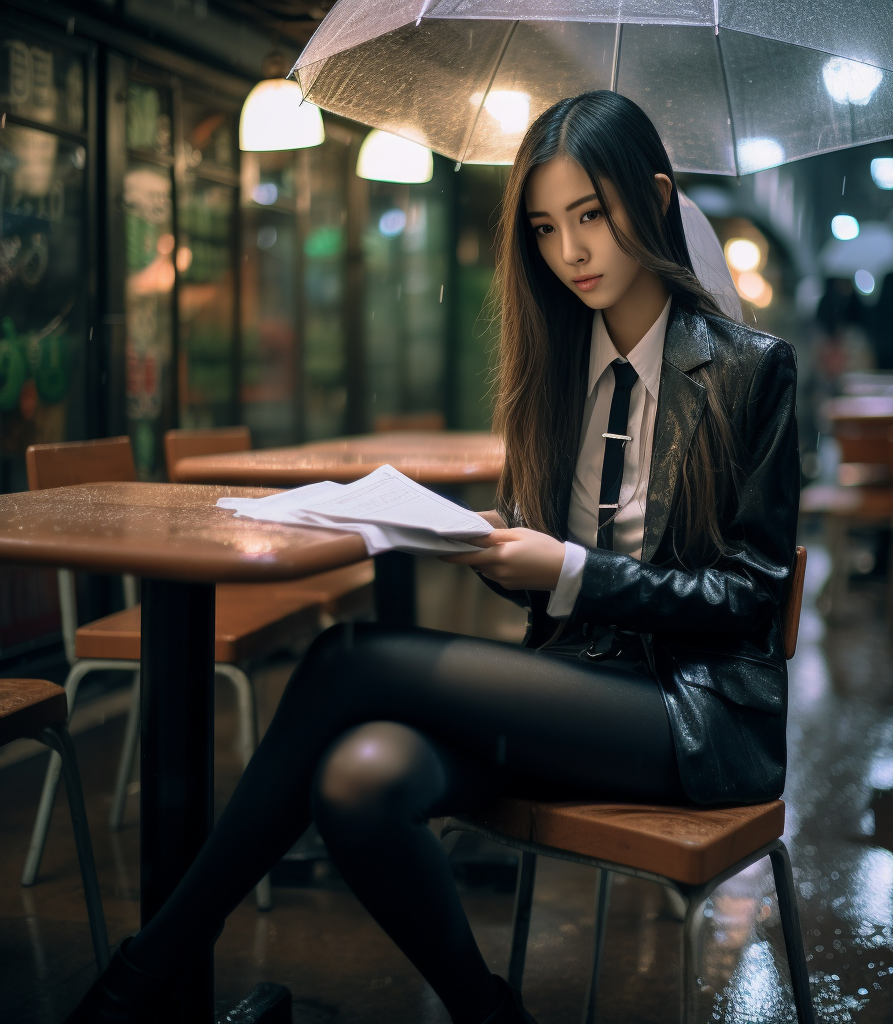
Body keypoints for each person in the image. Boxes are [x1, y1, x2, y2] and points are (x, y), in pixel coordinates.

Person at [66, 90, 799, 1024]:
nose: (570, 252)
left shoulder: (748, 370)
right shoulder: (557, 365)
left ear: (655, 202)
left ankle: (144, 973)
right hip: (581, 678)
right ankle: (487, 1013)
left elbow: (750, 596)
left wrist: (569, 572)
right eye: (545, 227)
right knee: (357, 779)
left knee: (345, 661)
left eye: (592, 216)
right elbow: (565, 565)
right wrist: (497, 551)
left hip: (693, 713)